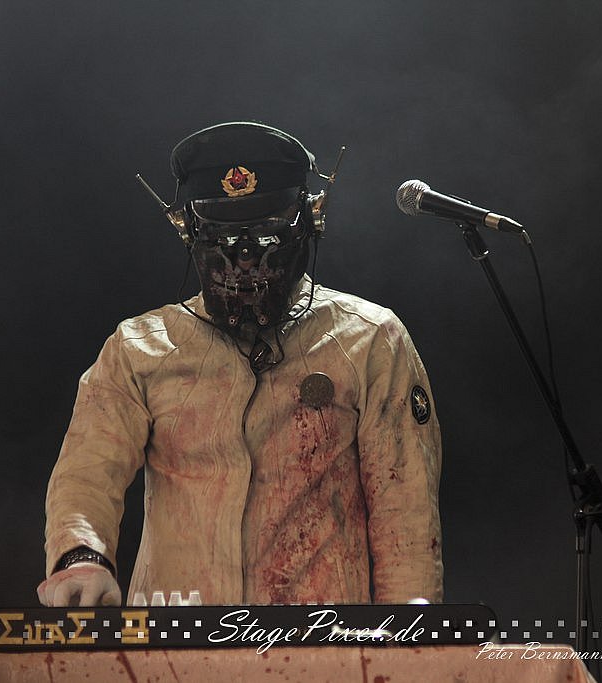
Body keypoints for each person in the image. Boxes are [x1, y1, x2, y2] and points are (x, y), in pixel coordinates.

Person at [37, 122, 442, 608]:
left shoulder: (370, 340)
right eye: (222, 238)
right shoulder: (138, 348)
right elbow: (87, 470)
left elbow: (405, 511)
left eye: (267, 234)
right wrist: (81, 558)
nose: (245, 258)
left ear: (310, 222)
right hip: (175, 642)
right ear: (189, 232)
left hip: (321, 641)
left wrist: (414, 636)